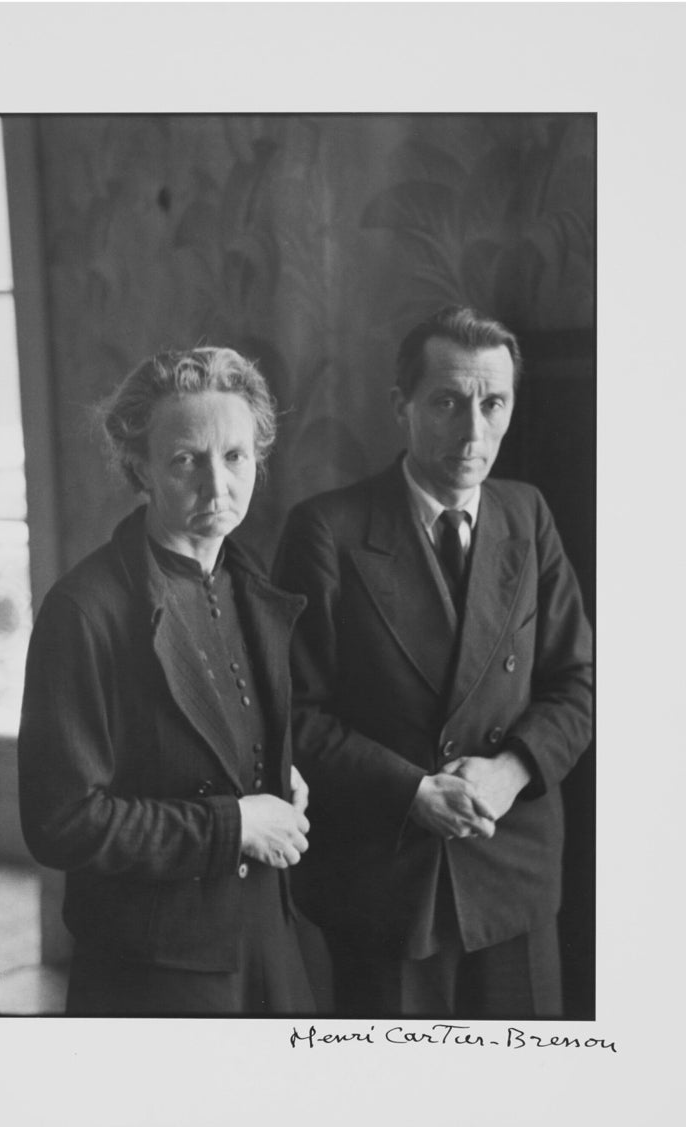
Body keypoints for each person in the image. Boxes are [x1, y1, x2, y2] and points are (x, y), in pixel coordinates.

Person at [274, 306, 593, 1018]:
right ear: (403, 406)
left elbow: (578, 682)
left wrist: (511, 772)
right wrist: (412, 791)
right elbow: (293, 713)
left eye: (493, 403)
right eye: (448, 402)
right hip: (387, 879)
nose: (473, 432)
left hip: (511, 863)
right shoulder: (328, 530)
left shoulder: (527, 514)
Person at [18, 347, 314, 1016]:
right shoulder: (85, 610)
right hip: (155, 973)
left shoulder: (248, 584)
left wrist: (277, 771)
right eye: (187, 459)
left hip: (267, 943)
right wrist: (232, 823)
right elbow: (62, 822)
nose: (217, 486)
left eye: (235, 457)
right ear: (140, 467)